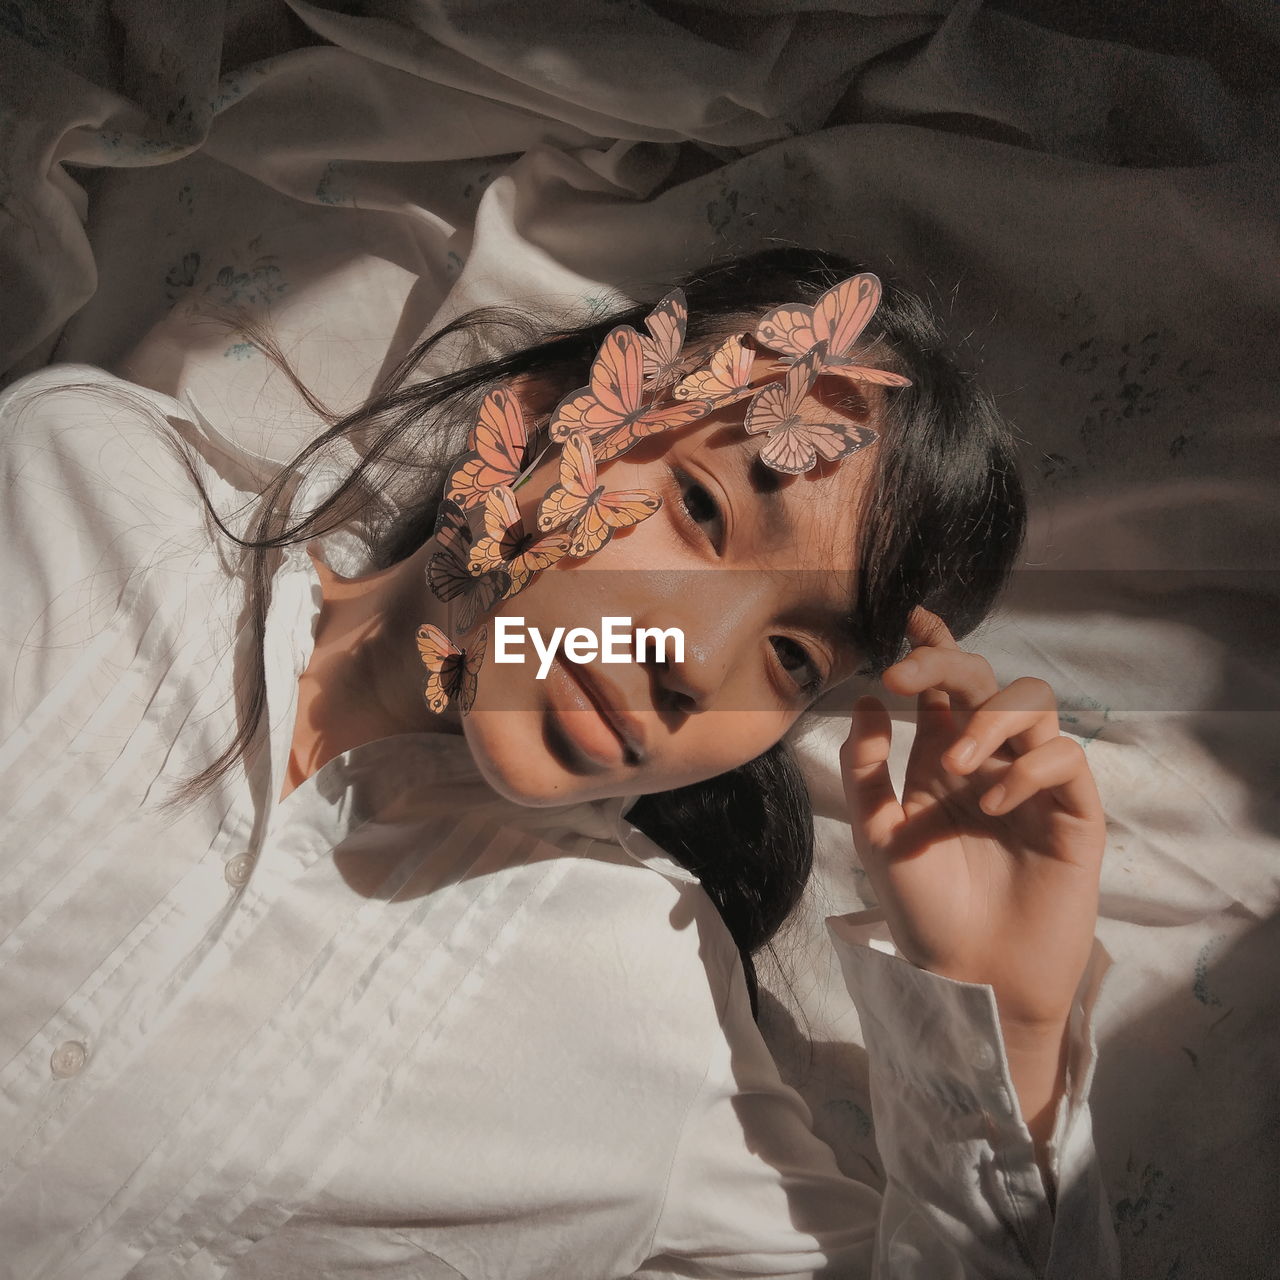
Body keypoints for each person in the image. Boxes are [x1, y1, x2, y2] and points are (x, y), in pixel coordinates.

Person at [0, 247, 1117, 1278]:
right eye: (699, 505)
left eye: (790, 659)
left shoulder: (644, 1015)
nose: (697, 661)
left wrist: (1009, 1030)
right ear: (532, 417)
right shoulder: (79, 486)